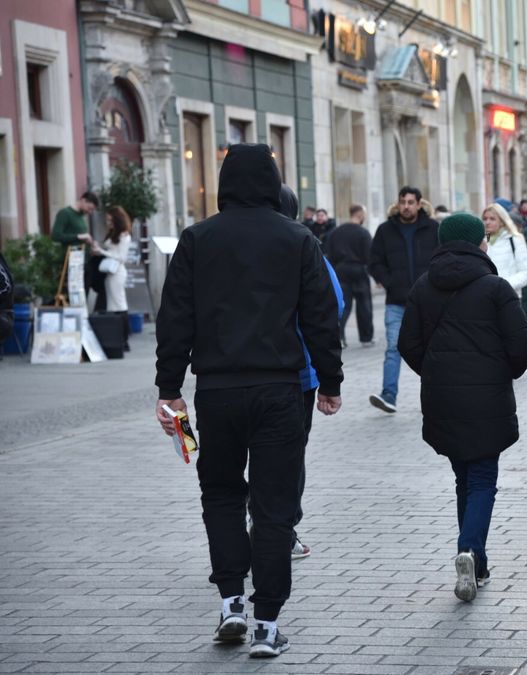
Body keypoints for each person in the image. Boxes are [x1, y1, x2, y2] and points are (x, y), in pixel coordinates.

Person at [154, 144, 343, 658]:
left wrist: (169, 389)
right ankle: (267, 624)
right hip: (279, 388)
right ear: (273, 180)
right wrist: (331, 381)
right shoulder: (297, 238)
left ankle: (231, 602)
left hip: (216, 390)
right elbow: (320, 318)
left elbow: (175, 318)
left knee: (219, 494)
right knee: (274, 503)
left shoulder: (198, 239)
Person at [398, 213, 527, 602]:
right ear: (479, 243)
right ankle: (470, 550)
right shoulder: (495, 287)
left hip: (442, 396)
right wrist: (504, 371)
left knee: (464, 477)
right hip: (487, 396)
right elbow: (521, 343)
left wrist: (434, 370)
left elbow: (407, 343)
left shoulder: (424, 285)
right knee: (483, 479)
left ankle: (478, 561)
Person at [274, 184, 345, 561]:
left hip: (225, 379)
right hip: (296, 375)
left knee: (236, 457)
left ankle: (243, 528)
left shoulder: (212, 242)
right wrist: (329, 381)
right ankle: (282, 530)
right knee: (287, 456)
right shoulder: (304, 246)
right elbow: (332, 305)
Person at [367, 187, 439, 414]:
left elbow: (443, 255)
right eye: (402, 202)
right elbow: (374, 261)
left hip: (427, 301)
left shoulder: (433, 228)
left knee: (431, 350)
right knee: (393, 348)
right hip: (396, 302)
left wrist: (434, 281)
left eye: (410, 202)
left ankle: (434, 396)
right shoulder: (385, 230)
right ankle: (388, 394)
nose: (406, 206)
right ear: (397, 204)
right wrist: (388, 281)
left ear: (419, 204)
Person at [325, 204, 375, 348]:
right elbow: (369, 256)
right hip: (359, 269)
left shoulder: (336, 232)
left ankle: (339, 337)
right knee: (364, 305)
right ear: (360, 215)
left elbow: (330, 253)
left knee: (343, 305)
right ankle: (366, 338)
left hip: (340, 270)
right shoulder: (363, 233)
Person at [92, 206, 133, 348]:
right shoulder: (113, 233)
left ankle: (124, 339)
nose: (108, 222)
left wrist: (102, 252)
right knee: (112, 305)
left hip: (117, 272)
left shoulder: (124, 236)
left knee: (119, 304)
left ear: (117, 219)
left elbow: (121, 257)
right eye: (107, 220)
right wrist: (101, 249)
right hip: (109, 271)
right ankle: (117, 338)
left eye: (110, 220)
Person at [481, 204, 527, 294]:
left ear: (502, 221)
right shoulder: (482, 241)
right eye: (485, 218)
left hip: (509, 297)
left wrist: (504, 285)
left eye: (492, 219)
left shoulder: (514, 239)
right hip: (486, 297)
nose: (487, 222)